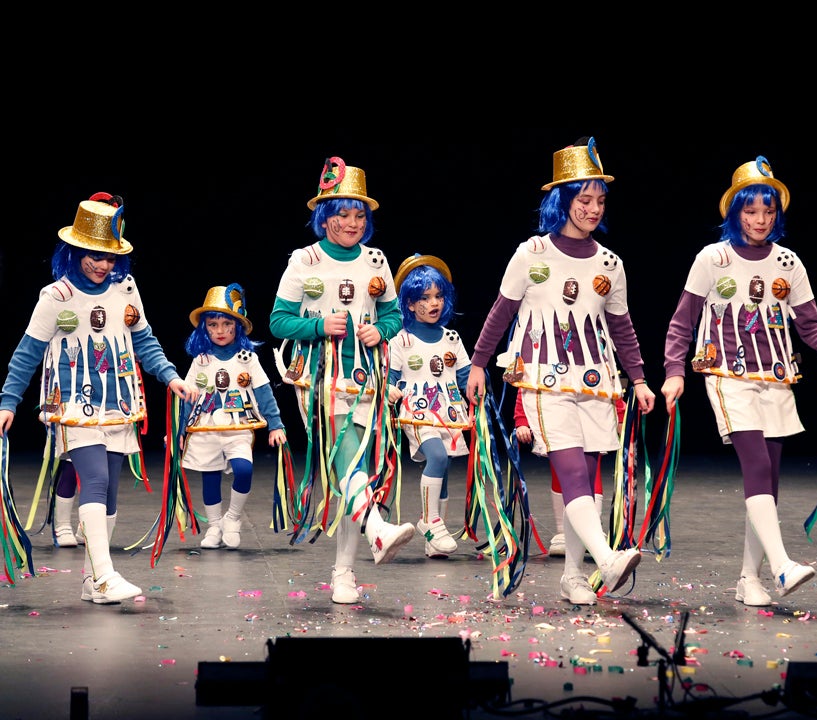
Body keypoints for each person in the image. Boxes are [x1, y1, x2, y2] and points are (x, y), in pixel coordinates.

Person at [661, 156, 817, 608]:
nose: (761, 219)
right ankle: (781, 565)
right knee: (756, 466)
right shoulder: (712, 258)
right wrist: (674, 372)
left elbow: (811, 324)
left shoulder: (787, 262)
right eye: (751, 210)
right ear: (735, 213)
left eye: (769, 211)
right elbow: (683, 322)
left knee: (770, 481)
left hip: (777, 377)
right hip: (726, 375)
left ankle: (748, 578)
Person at [465, 137, 654, 605]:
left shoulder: (611, 263)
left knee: (586, 480)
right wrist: (477, 364)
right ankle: (607, 559)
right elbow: (500, 313)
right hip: (542, 379)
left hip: (596, 380)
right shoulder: (531, 253)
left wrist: (640, 378)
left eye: (600, 200)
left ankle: (573, 577)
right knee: (570, 472)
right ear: (562, 201)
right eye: (584, 199)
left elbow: (623, 328)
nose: (593, 209)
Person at [0, 193, 198, 603]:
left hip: (118, 404)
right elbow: (28, 352)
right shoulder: (56, 296)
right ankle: (106, 576)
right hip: (73, 404)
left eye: (110, 256)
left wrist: (170, 376)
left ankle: (93, 580)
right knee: (95, 479)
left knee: (108, 492)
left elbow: (145, 340)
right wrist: (8, 400)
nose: (103, 264)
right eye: (94, 255)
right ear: (74, 250)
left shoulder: (126, 288)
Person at [270, 158, 414, 606]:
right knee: (347, 459)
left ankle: (345, 572)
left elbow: (392, 314)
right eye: (342, 213)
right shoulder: (304, 259)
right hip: (319, 377)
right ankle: (376, 528)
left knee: (355, 474)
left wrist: (382, 330)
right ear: (324, 216)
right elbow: (277, 321)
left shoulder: (376, 260)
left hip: (367, 377)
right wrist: (317, 327)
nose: (351, 223)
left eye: (359, 215)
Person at [181, 284, 286, 550]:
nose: (219, 330)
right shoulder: (200, 360)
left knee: (244, 469)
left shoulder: (247, 358)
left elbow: (263, 393)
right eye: (213, 324)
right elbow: (188, 397)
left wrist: (275, 425)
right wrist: (179, 430)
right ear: (205, 327)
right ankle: (214, 526)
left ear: (237, 325)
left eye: (226, 324)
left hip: (238, 425)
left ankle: (233, 518)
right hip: (205, 427)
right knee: (210, 476)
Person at [386, 254, 471, 559]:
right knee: (435, 455)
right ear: (409, 303)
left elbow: (466, 376)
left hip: (449, 411)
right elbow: (390, 379)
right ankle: (429, 521)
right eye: (424, 297)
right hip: (417, 410)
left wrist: (480, 385)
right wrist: (391, 391)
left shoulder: (452, 338)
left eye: (438, 296)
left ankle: (434, 538)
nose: (434, 303)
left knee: (444, 466)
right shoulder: (401, 340)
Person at [513, 386, 611, 557]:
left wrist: (620, 411)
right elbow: (526, 381)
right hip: (556, 414)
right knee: (561, 469)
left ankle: (592, 528)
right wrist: (522, 420)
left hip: (591, 413)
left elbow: (607, 377)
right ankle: (563, 532)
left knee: (591, 467)